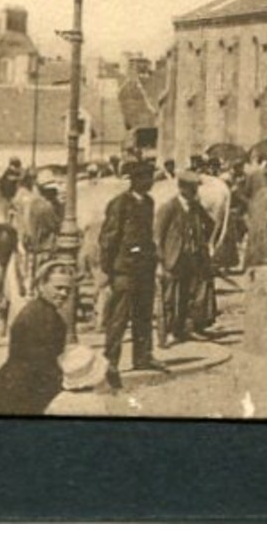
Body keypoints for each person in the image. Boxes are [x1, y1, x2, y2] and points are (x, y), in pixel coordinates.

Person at [99, 158, 165, 387]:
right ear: (134, 180)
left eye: (150, 178)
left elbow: (147, 235)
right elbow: (108, 238)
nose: (149, 182)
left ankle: (142, 357)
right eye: (144, 178)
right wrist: (107, 269)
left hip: (145, 268)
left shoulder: (148, 202)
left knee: (143, 316)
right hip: (124, 269)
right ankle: (110, 362)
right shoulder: (120, 204)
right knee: (118, 318)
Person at [0, 261, 71, 415]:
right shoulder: (39, 316)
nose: (64, 294)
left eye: (67, 289)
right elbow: (39, 362)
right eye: (58, 288)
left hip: (27, 383)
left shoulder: (46, 312)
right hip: (24, 390)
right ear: (41, 286)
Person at [156, 169, 215, 348]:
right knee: (168, 298)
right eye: (192, 188)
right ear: (182, 188)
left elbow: (211, 224)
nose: (195, 191)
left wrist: (204, 243)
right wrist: (160, 262)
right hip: (173, 258)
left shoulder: (196, 207)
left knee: (186, 296)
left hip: (192, 258)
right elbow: (158, 237)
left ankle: (179, 330)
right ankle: (164, 334)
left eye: (196, 188)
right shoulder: (169, 207)